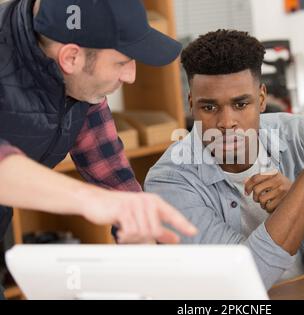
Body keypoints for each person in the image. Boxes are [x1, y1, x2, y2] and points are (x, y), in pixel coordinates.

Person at [144, 30, 304, 288]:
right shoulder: (169, 181)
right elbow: (245, 279)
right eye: (209, 107)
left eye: (241, 105)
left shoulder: (299, 135)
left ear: (261, 99)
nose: (227, 122)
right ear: (191, 104)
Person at [0, 0, 198, 285]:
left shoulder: (82, 85)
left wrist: (144, 241)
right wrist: (92, 201)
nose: (131, 76)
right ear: (71, 58)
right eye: (121, 62)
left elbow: (110, 173)